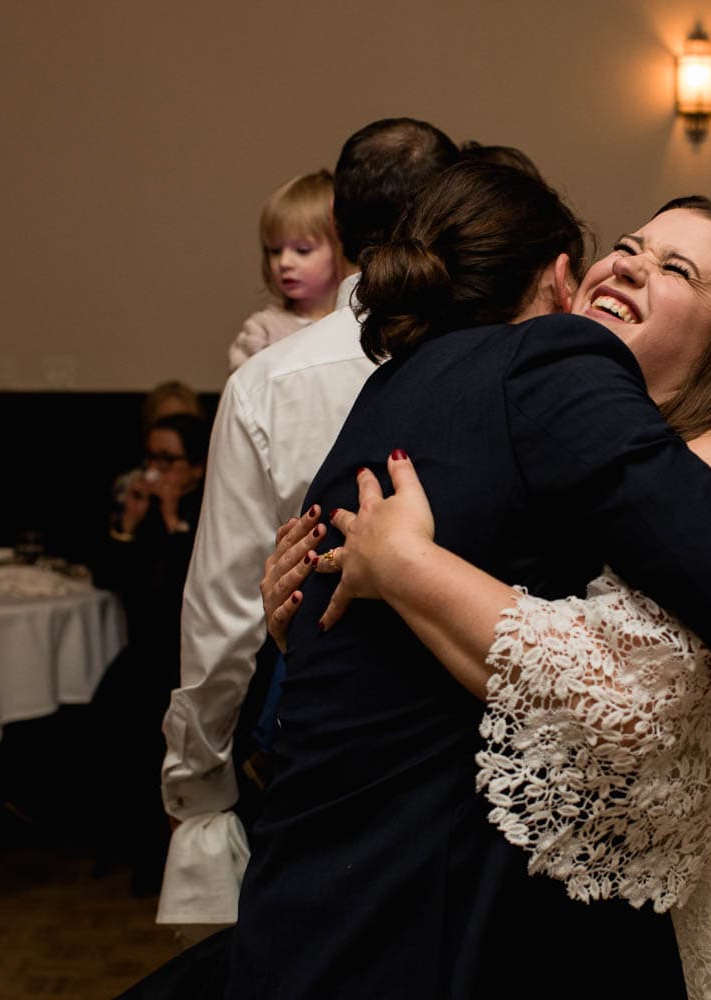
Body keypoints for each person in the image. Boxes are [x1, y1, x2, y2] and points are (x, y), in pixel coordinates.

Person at [222, 161, 711, 998]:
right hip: (543, 923)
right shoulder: (591, 455)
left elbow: (624, 706)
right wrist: (322, 604)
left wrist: (407, 567)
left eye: (677, 269)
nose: (635, 264)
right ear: (567, 278)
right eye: (633, 246)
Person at [156, 118, 460, 931]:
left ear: (344, 230)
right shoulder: (515, 355)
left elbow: (223, 605)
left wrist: (198, 778)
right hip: (478, 714)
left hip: (325, 716)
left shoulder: (269, 383)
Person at [93, 412, 209, 895]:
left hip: (189, 655)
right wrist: (129, 524)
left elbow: (188, 589)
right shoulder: (143, 510)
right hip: (148, 651)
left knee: (150, 712)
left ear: (197, 467)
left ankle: (160, 857)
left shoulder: (207, 508)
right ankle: (126, 842)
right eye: (152, 458)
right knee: (111, 705)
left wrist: (171, 520)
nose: (158, 470)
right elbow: (112, 579)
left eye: (170, 460)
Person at [227, 170, 346, 372]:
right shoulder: (262, 330)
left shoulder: (359, 324)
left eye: (302, 250)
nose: (284, 262)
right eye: (275, 251)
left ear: (341, 248)